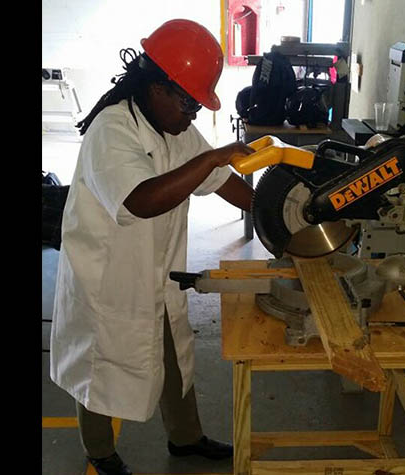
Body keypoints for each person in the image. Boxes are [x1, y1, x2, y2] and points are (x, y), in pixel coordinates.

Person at [49, 19, 255, 475]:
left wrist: (278, 210)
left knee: (174, 355)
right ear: (157, 85)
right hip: (108, 280)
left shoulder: (174, 125)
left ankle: (186, 438)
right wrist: (210, 157)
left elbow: (222, 181)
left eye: (197, 108)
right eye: (188, 104)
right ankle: (99, 450)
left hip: (157, 271)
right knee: (100, 366)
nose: (192, 116)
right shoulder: (112, 129)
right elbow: (140, 201)